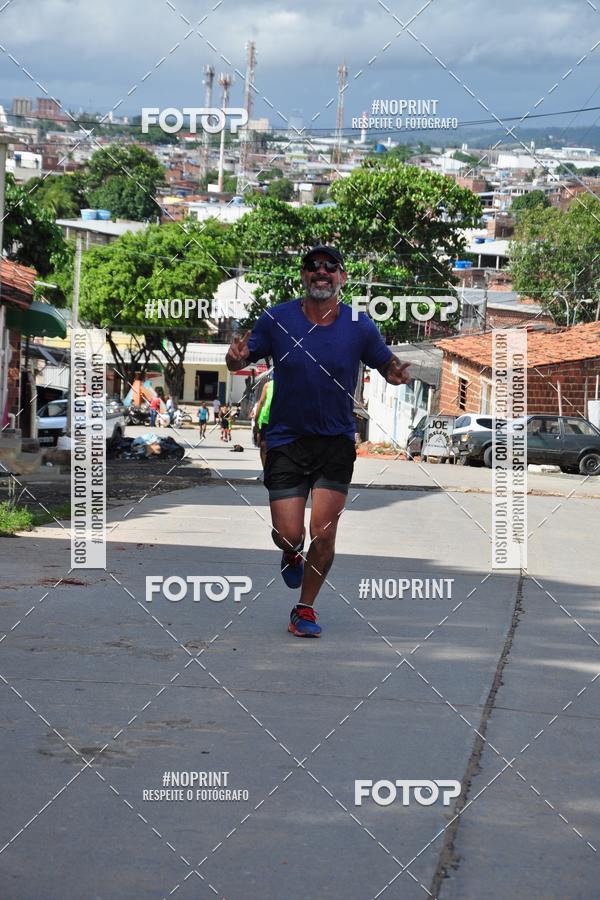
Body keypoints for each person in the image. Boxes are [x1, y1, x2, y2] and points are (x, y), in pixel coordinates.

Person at [226, 245, 410, 638]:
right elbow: (240, 358)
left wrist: (395, 374)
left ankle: (304, 609)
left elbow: (386, 363)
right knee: (289, 533)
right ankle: (290, 552)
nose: (322, 272)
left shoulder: (360, 324)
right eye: (313, 267)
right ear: (304, 276)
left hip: (335, 442)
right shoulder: (277, 318)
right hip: (286, 441)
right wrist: (233, 357)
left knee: (323, 533)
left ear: (343, 277)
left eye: (331, 267)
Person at [255, 377, 274, 468]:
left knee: (264, 446)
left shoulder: (268, 385)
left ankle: (268, 470)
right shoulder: (268, 385)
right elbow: (261, 402)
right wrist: (256, 419)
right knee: (263, 445)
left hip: (277, 420)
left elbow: (261, 402)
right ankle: (266, 471)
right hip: (266, 420)